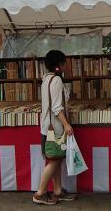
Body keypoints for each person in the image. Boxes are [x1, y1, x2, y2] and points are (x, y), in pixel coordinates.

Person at [33, 50, 77, 205]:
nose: (66, 65)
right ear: (58, 65)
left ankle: (57, 191)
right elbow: (57, 107)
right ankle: (40, 194)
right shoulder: (57, 81)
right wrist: (66, 125)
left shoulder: (47, 79)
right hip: (56, 128)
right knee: (54, 161)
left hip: (47, 127)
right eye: (64, 62)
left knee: (56, 160)